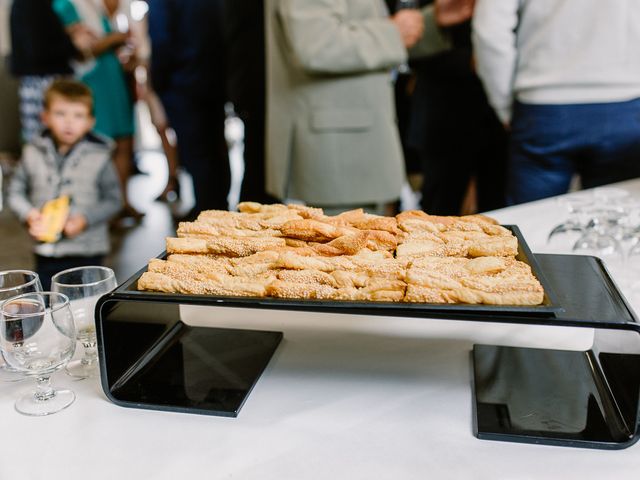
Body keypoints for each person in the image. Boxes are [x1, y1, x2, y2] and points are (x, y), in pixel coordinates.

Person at [265, 0, 472, 215]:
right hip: (335, 154)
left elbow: (360, 32)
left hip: (354, 148)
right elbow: (315, 44)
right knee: (337, 246)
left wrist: (429, 22)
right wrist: (393, 32)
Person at [472, 0, 640, 205]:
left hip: (543, 104)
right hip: (624, 102)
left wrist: (503, 104)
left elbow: (490, 29)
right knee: (616, 219)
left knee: (530, 222)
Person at [7, 79, 122, 289]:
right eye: (60, 114)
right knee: (50, 301)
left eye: (78, 115)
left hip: (88, 250)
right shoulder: (31, 152)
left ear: (90, 122)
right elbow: (15, 192)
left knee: (88, 302)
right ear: (45, 117)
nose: (69, 122)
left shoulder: (100, 156)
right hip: (46, 250)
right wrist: (29, 215)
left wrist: (85, 219)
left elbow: (114, 200)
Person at [406, 0, 507, 216]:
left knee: (499, 210)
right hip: (443, 113)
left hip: (498, 114)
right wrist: (469, 60)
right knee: (438, 210)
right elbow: (407, 45)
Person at [53, 0, 141, 220]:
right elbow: (83, 50)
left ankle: (123, 202)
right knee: (101, 144)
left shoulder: (95, 5)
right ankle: (105, 209)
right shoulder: (65, 5)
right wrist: (117, 38)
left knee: (124, 140)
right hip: (92, 81)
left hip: (114, 77)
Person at [148, 0, 230, 217]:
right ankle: (219, 206)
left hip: (182, 82)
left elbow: (161, 39)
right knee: (215, 147)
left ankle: (207, 212)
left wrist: (157, 82)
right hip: (214, 79)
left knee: (196, 151)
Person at [9, 0, 94, 143]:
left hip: (44, 79)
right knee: (45, 141)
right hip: (43, 82)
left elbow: (41, 38)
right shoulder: (31, 4)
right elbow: (37, 51)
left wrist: (67, 33)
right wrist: (73, 43)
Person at [223, 0, 278, 205]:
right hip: (256, 86)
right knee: (258, 163)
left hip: (255, 85)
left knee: (259, 161)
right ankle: (254, 220)